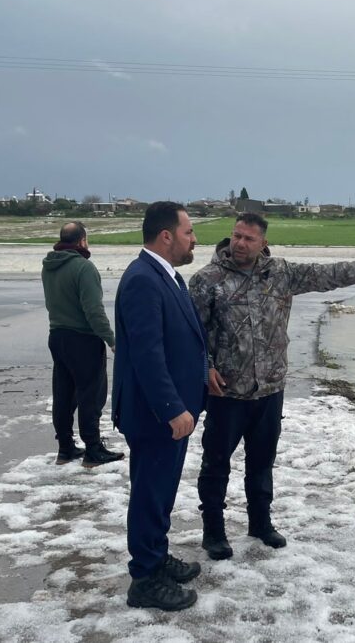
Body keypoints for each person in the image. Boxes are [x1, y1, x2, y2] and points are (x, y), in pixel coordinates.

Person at [189, 212, 355, 560]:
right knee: (216, 464)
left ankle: (261, 523)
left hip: (270, 389)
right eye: (236, 236)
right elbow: (192, 333)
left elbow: (327, 275)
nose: (240, 244)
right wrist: (205, 368)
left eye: (249, 239)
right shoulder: (207, 280)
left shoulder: (281, 274)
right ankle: (213, 530)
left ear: (263, 243)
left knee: (262, 462)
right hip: (227, 392)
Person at [112, 202, 207, 611]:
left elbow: (182, 342)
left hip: (174, 413)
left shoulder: (168, 277)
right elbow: (148, 355)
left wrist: (204, 377)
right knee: (150, 493)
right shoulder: (143, 281)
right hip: (156, 415)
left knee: (162, 491)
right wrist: (171, 408)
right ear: (166, 236)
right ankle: (145, 580)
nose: (194, 240)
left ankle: (156, 554)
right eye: (188, 232)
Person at [40, 221, 124, 467]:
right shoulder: (83, 268)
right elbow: (94, 310)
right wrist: (111, 339)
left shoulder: (48, 266)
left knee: (63, 393)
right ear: (82, 241)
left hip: (57, 336)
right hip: (83, 339)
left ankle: (65, 447)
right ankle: (93, 449)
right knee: (91, 395)